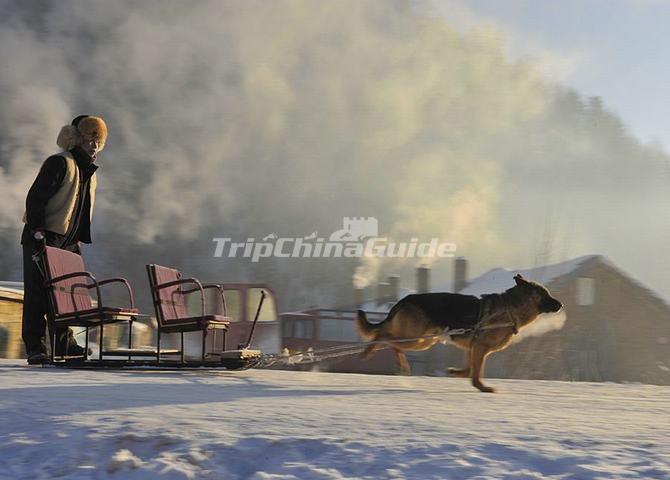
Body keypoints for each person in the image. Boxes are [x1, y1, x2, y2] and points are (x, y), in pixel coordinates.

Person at [21, 115, 107, 364]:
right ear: (77, 138)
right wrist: (38, 231)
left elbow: (80, 209)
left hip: (68, 242)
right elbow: (35, 198)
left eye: (98, 140)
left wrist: (77, 239)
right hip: (44, 235)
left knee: (64, 294)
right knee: (38, 293)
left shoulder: (88, 171)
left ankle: (64, 345)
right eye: (90, 138)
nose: (94, 145)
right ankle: (35, 347)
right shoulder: (61, 163)